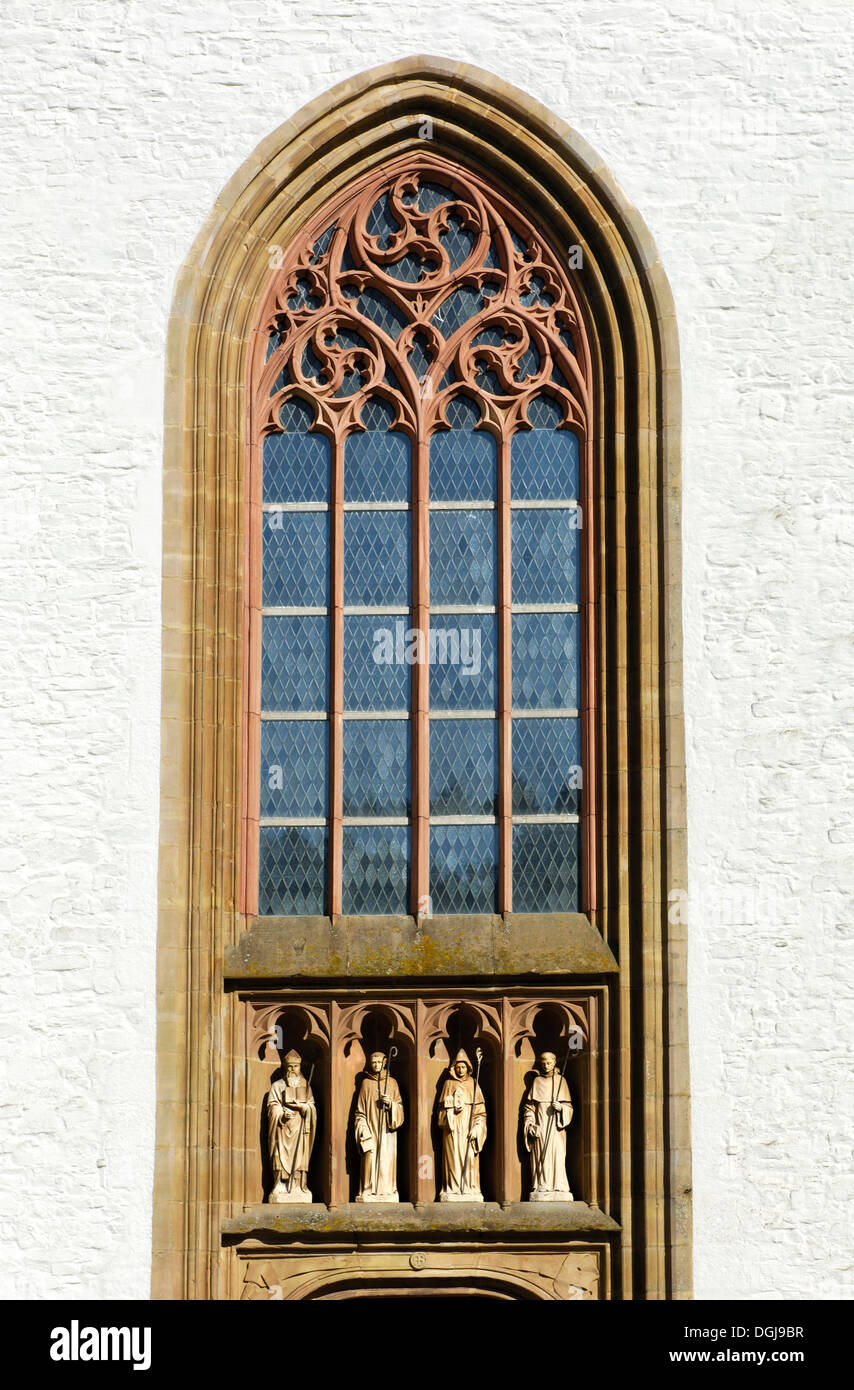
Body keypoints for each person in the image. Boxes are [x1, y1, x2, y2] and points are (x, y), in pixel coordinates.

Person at [354, 1050, 404, 1202]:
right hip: (370, 1129)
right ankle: (368, 1190)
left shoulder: (392, 1083)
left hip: (387, 1130)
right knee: (370, 1157)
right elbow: (359, 1111)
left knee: (386, 1159)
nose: (376, 1065)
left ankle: (387, 1191)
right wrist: (363, 1128)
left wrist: (391, 1105)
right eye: (373, 1062)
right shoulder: (365, 1083)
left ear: (384, 1063)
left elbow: (400, 1107)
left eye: (378, 1062)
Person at [267, 1048, 316, 1203]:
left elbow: (312, 1107)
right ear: (285, 1067)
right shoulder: (277, 1086)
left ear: (300, 1067)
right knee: (279, 1156)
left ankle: (298, 1186)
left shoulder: (306, 1086)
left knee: (300, 1157)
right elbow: (272, 1108)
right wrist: (281, 1113)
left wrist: (304, 1108)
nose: (292, 1070)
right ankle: (280, 1184)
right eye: (289, 1067)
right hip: (282, 1130)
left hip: (300, 1129)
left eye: (295, 1066)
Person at [523, 1051, 574, 1200]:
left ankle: (559, 1185)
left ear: (554, 1063)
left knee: (557, 1154)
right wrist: (530, 1124)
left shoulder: (560, 1081)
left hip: (555, 1127)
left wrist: (561, 1108)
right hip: (541, 1126)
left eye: (549, 1063)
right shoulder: (537, 1081)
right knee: (541, 1157)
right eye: (543, 1063)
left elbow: (569, 1108)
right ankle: (542, 1185)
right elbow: (530, 1108)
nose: (546, 1065)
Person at [437, 1049, 486, 1202]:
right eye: (458, 1067)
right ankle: (453, 1188)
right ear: (454, 1068)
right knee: (452, 1159)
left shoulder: (473, 1084)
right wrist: (450, 1110)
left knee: (470, 1159)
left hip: (467, 1129)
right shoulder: (448, 1084)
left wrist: (477, 1128)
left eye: (463, 1067)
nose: (460, 1069)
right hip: (452, 1130)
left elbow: (480, 1113)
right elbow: (440, 1114)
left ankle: (470, 1188)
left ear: (468, 1068)